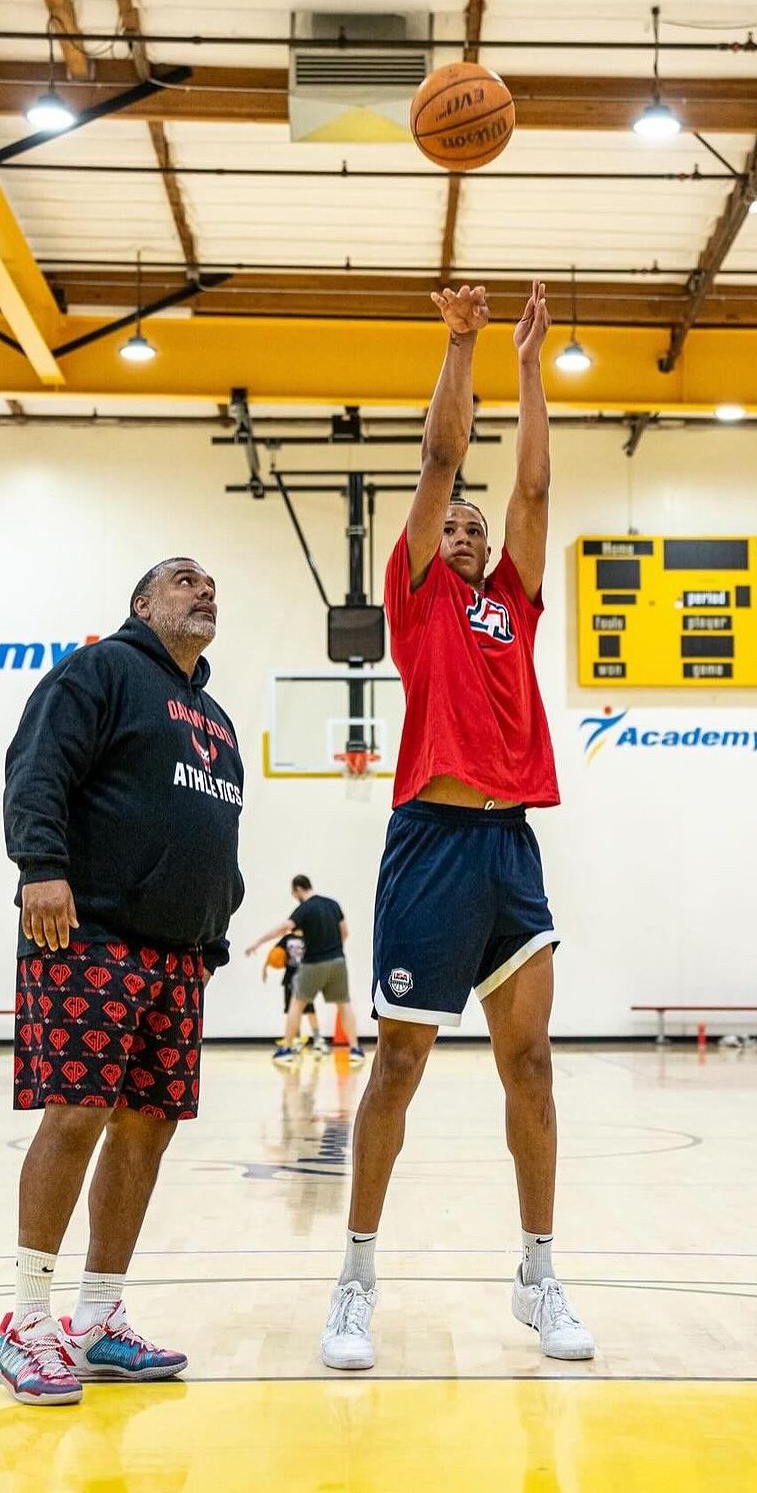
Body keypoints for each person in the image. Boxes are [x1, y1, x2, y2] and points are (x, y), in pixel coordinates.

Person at [319, 280, 594, 1370]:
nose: (470, 529)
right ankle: (355, 1278)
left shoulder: (512, 602)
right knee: (399, 1066)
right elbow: (443, 461)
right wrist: (463, 343)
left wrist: (531, 366)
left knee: (530, 1064)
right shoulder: (421, 594)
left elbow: (531, 482)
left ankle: (539, 1272)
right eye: (456, 527)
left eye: (479, 528)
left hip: (509, 851)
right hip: (429, 845)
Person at [0, 557, 245, 1406]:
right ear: (142, 604)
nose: (202, 591)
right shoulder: (100, 668)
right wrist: (40, 864)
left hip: (178, 956)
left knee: (148, 1132)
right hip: (87, 927)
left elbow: (215, 834)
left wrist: (211, 936)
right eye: (183, 581)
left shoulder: (216, 719)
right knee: (78, 1115)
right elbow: (38, 766)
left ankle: (99, 1319)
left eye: (210, 584)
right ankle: (27, 1323)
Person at [247, 876, 365, 1066]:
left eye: (294, 894)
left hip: (313, 963)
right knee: (343, 1005)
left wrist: (257, 943)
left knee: (296, 1005)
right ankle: (355, 1050)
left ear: (298, 889)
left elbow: (284, 928)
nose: (295, 897)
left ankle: (286, 1049)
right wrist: (334, 950)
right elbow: (345, 932)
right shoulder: (333, 904)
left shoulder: (304, 909)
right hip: (337, 961)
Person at [264, 931, 325, 1051]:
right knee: (291, 1010)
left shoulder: (309, 937)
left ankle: (317, 1038)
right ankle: (296, 1038)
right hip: (289, 979)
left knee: (310, 1009)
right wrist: (265, 967)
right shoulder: (287, 938)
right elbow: (274, 952)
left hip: (306, 978)